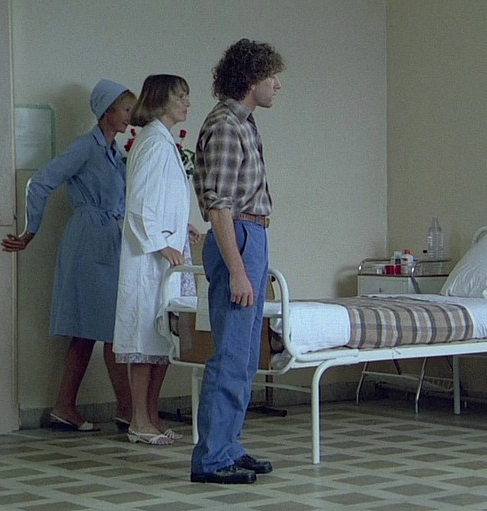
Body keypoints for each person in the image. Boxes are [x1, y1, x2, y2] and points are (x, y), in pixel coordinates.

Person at [1, 79, 135, 432]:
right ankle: (129, 410)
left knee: (88, 330)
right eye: (125, 109)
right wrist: (31, 230)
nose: (130, 116)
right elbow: (40, 182)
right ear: (106, 110)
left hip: (109, 240)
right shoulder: (85, 147)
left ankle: (65, 407)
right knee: (109, 328)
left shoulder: (117, 153)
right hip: (88, 242)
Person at [190, 39, 284, 484]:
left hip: (252, 234)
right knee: (230, 354)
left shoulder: (245, 123)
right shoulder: (226, 126)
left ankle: (228, 446)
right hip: (239, 236)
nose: (277, 85)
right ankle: (211, 459)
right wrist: (238, 269)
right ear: (250, 79)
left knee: (245, 357)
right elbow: (219, 207)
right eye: (271, 76)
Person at [113, 74, 199, 446]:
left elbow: (162, 199)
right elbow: (138, 204)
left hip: (165, 254)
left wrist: (182, 226)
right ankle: (138, 420)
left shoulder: (163, 142)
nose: (187, 103)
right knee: (145, 339)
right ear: (161, 100)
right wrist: (161, 244)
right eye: (180, 96)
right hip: (150, 258)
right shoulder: (151, 142)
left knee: (162, 338)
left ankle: (151, 414)